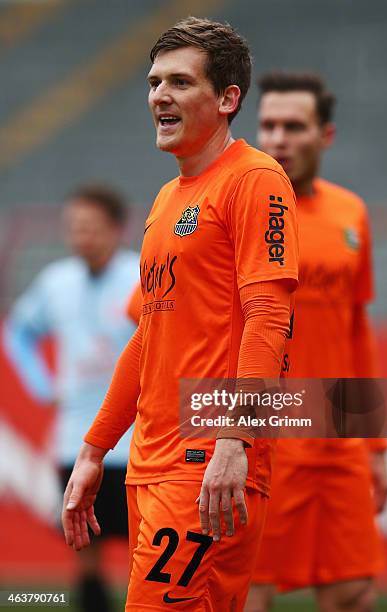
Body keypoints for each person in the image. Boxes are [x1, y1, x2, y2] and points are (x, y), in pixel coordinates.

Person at [61, 17, 299, 611]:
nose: (159, 96)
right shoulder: (169, 199)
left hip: (207, 459)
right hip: (150, 461)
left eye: (179, 82)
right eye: (153, 82)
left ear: (227, 99)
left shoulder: (256, 180)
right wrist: (95, 450)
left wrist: (232, 439)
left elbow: (268, 315)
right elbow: (149, 336)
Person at [245, 72, 387, 612]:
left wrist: (374, 445)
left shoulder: (351, 213)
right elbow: (162, 327)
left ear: (325, 135)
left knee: (354, 593)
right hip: (261, 439)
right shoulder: (233, 209)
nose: (278, 138)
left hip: (338, 436)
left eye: (293, 126)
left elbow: (356, 329)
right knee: (249, 593)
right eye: (268, 125)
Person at [3, 185, 139, 611]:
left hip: (138, 441)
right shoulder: (55, 281)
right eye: (75, 227)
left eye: (92, 227)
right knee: (85, 548)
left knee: (149, 547)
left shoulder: (143, 275)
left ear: (117, 229)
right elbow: (19, 333)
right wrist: (42, 385)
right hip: (75, 442)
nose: (83, 236)